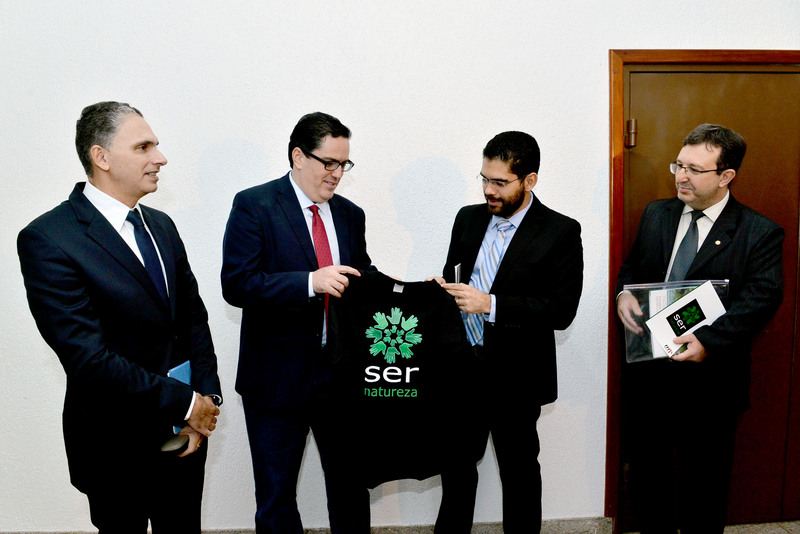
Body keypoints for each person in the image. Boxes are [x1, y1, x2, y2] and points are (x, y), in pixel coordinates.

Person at [17, 101, 222, 532]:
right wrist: (187, 404)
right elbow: (88, 359)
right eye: (144, 147)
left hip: (185, 438)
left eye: (156, 146)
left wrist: (204, 406)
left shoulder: (161, 226)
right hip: (114, 446)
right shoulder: (48, 239)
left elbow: (193, 320)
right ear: (102, 157)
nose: (160, 158)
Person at [616, 123, 784, 533]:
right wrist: (624, 294)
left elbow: (761, 300)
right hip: (650, 376)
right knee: (649, 481)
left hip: (712, 383)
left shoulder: (758, 232)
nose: (681, 176)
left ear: (726, 176)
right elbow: (634, 268)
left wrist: (708, 341)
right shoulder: (657, 214)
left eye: (694, 169)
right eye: (679, 165)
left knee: (704, 488)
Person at [221, 112, 371, 533]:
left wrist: (417, 291)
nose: (337, 173)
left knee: (351, 488)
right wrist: (309, 282)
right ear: (298, 156)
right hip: (275, 380)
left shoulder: (350, 214)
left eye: (344, 164)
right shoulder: (254, 205)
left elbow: (361, 278)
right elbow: (237, 284)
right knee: (276, 499)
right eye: (329, 162)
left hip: (340, 377)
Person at [432, 131, 584, 533]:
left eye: (499, 182)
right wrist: (441, 291)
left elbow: (561, 311)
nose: (488, 190)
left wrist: (491, 304)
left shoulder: (561, 231)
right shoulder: (468, 218)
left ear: (529, 180)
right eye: (484, 178)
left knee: (519, 473)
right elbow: (456, 280)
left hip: (517, 376)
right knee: (455, 469)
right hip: (462, 369)